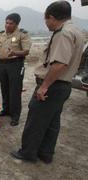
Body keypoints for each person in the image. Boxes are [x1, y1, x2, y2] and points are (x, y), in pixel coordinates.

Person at [11, 1, 84, 164]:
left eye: (46, 20)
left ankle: (28, 153)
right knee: (52, 121)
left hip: (53, 85)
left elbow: (59, 64)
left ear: (51, 17)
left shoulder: (63, 33)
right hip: (63, 86)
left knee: (36, 120)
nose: (46, 24)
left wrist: (44, 86)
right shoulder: (76, 31)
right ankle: (46, 153)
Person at [0, 13, 32, 126]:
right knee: (4, 88)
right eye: (6, 23)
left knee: (15, 90)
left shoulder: (22, 34)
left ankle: (15, 115)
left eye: (10, 23)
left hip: (16, 64)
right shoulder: (0, 35)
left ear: (17, 24)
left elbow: (26, 51)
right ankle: (6, 109)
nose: (7, 25)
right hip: (2, 65)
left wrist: (15, 53)